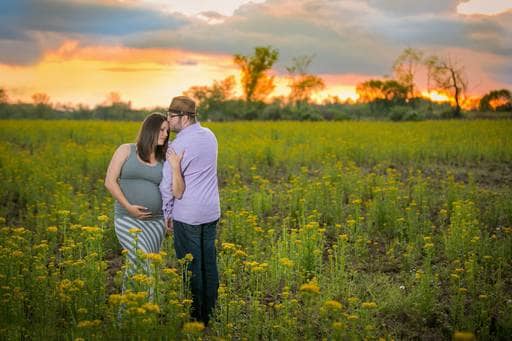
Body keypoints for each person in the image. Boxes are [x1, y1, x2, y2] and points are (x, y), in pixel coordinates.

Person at [105, 112, 184, 295]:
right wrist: (129, 207)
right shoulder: (126, 150)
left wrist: (175, 167)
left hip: (156, 223)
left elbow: (174, 192)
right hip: (127, 219)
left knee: (145, 268)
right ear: (150, 129)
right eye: (162, 130)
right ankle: (130, 312)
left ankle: (143, 312)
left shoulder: (164, 160)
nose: (165, 134)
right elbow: (110, 181)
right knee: (142, 261)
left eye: (167, 131)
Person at [159, 96, 220, 325]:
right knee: (208, 263)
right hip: (211, 211)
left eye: (171, 116)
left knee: (191, 265)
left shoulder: (178, 145)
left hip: (188, 214)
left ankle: (197, 318)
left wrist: (167, 214)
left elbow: (169, 187)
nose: (168, 121)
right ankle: (211, 314)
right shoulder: (210, 136)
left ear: (183, 117)